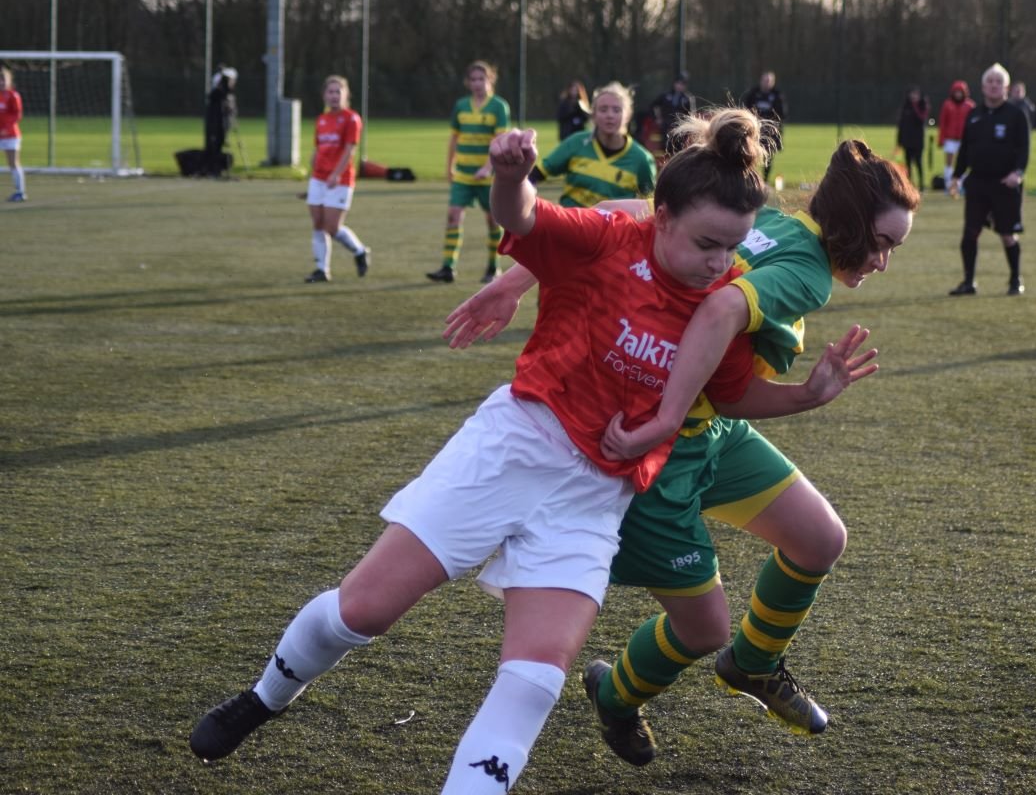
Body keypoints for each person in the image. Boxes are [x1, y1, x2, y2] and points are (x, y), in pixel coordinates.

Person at [190, 110, 801, 794]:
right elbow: (529, 215)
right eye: (707, 243)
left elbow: (737, 391)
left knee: (535, 682)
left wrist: (813, 392)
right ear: (660, 217)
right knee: (363, 610)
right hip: (515, 446)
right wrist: (510, 176)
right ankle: (265, 696)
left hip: (599, 494)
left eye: (734, 247)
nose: (722, 262)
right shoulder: (606, 241)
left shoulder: (724, 300)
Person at [445, 137, 919, 766]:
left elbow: (624, 209)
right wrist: (670, 413)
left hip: (713, 432)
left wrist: (515, 281)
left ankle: (753, 665)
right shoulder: (806, 272)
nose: (883, 261)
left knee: (820, 539)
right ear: (853, 224)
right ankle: (614, 694)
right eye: (883, 243)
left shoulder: (773, 218)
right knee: (704, 629)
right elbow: (723, 306)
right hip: (663, 454)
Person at [948, 63, 1029, 297]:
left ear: (1006, 87)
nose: (994, 85)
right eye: (989, 81)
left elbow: (1024, 148)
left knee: (1007, 234)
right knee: (970, 234)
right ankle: (969, 282)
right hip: (977, 184)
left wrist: (1018, 173)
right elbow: (965, 150)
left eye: (998, 82)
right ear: (983, 87)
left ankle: (1015, 279)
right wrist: (956, 176)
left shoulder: (1016, 115)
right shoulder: (974, 115)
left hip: (1005, 184)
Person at [427, 61, 511, 285]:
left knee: (493, 221)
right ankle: (448, 267)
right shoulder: (461, 106)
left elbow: (499, 140)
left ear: (490, 80)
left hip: (488, 177)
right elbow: (454, 138)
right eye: (473, 79)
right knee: (453, 216)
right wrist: (449, 166)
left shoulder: (499, 107)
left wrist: (487, 167)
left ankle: (494, 267)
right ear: (467, 82)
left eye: (481, 79)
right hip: (463, 174)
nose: (476, 84)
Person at [533, 81, 656, 208]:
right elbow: (538, 172)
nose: (610, 115)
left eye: (616, 110)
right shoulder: (576, 142)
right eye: (603, 109)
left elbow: (651, 206)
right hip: (570, 226)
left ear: (628, 115)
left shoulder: (642, 159)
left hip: (613, 228)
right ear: (593, 115)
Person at [303, 75, 371, 283]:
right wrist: (311, 175)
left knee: (331, 227)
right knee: (317, 224)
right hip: (318, 179)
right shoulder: (321, 119)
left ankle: (359, 251)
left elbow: (350, 149)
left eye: (337, 91)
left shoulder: (351, 118)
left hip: (340, 180)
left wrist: (336, 174)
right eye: (330, 92)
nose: (333, 96)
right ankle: (321, 270)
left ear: (346, 95)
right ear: (324, 95)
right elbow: (318, 148)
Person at [740, 71, 787, 180]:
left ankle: (765, 180)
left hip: (770, 131)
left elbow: (782, 114)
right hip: (754, 129)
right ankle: (750, 179)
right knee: (750, 154)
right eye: (765, 80)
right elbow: (745, 110)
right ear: (761, 81)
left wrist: (774, 126)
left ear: (773, 82)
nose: (767, 83)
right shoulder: (753, 93)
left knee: (768, 156)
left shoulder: (777, 95)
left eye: (769, 81)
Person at [936, 80, 974, 192]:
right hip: (950, 138)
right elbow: (943, 122)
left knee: (964, 162)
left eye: (960, 92)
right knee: (949, 163)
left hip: (964, 139)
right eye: (956, 92)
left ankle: (961, 185)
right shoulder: (947, 104)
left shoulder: (970, 105)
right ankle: (948, 184)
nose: (958, 94)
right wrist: (941, 138)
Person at [204, 66, 237, 177]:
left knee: (219, 146)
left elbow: (230, 110)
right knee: (214, 146)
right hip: (216, 126)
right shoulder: (217, 94)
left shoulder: (228, 95)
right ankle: (213, 169)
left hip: (223, 125)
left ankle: (217, 169)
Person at [652, 74, 696, 156]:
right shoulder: (666, 95)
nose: (679, 86)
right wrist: (658, 118)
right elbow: (654, 105)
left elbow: (691, 114)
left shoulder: (687, 98)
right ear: (674, 83)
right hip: (666, 125)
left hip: (680, 126)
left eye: (682, 84)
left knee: (678, 146)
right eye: (678, 83)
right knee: (666, 145)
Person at [1, 65, 27, 203]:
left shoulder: (13, 95)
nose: (1, 82)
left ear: (9, 81)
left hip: (11, 135)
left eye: (3, 79)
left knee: (13, 163)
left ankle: (20, 192)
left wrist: (6, 127)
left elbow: (17, 115)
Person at [896, 85, 929, 190]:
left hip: (918, 140)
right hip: (907, 140)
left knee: (918, 162)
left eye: (916, 94)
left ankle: (921, 184)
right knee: (908, 163)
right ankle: (909, 183)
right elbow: (901, 125)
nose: (914, 96)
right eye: (912, 94)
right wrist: (899, 141)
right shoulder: (905, 107)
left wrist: (915, 107)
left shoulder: (923, 106)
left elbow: (921, 119)